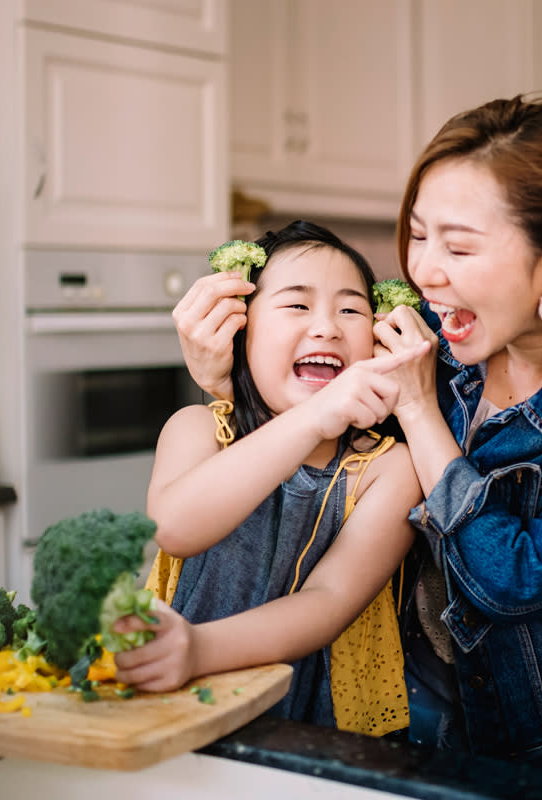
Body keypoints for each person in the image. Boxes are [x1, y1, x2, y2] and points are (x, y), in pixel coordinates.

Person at [172, 95, 542, 782]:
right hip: (418, 695)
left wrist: (419, 412)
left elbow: (511, 580)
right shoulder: (435, 331)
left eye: (460, 246)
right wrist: (225, 379)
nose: (424, 273)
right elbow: (316, 423)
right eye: (418, 235)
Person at [112, 220, 427, 736]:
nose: (327, 326)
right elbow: (174, 527)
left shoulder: (390, 468)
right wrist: (312, 419)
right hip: (178, 707)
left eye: (351, 309)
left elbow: (328, 602)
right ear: (241, 330)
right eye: (297, 305)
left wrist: (199, 650)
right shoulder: (197, 430)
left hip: (320, 727)